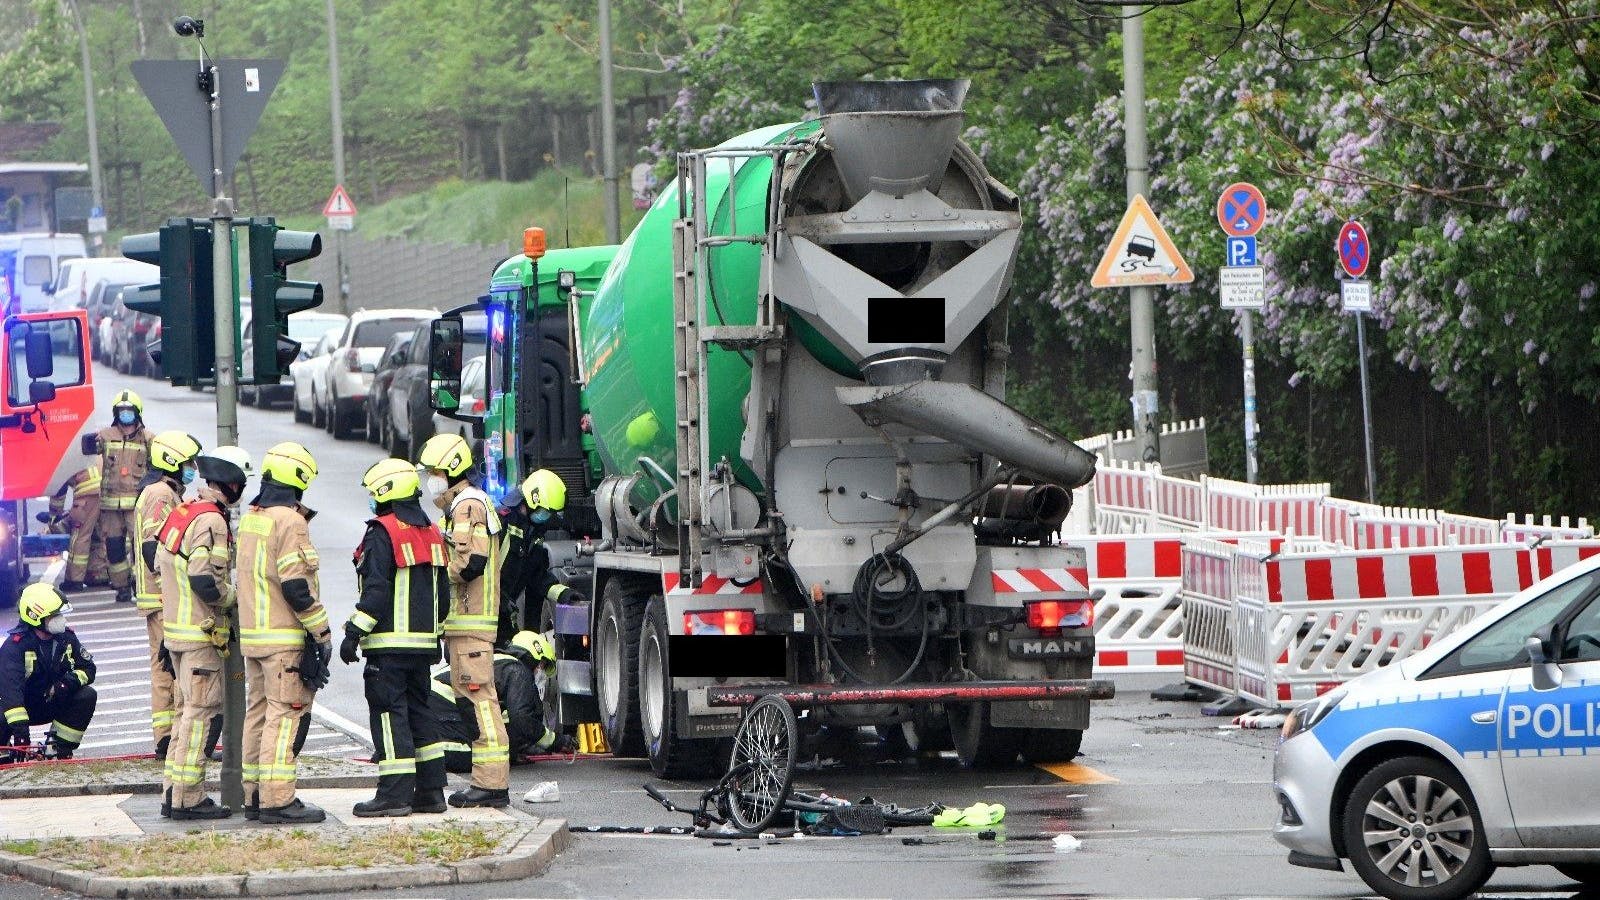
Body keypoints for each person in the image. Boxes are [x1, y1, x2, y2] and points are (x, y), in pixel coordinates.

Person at [341, 458, 451, 818]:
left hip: (388, 650)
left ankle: (394, 794)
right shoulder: (433, 532)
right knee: (421, 714)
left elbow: (375, 593)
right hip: (423, 649)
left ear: (384, 493)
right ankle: (431, 793)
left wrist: (354, 633)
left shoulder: (382, 532)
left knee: (390, 717)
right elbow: (444, 597)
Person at [238, 442, 332, 825]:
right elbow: (297, 587)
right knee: (285, 716)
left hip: (255, 639)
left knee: (258, 716)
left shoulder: (252, 518)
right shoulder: (290, 522)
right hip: (283, 640)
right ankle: (278, 800)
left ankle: (255, 796)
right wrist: (321, 632)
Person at [157, 446, 251, 820]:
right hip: (200, 635)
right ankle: (187, 799)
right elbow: (202, 577)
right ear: (232, 482)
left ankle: (173, 793)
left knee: (184, 716)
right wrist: (233, 599)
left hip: (176, 633)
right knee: (202, 717)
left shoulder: (184, 511)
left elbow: (155, 560)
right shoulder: (211, 520)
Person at [416, 433, 508, 808]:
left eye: (434, 473)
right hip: (466, 624)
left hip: (472, 622)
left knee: (478, 703)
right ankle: (487, 783)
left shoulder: (468, 506)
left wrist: (435, 574)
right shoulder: (463, 505)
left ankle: (491, 785)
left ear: (451, 471)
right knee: (474, 702)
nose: (430, 481)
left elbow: (472, 563)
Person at [133, 431, 202, 761]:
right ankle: (171, 738)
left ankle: (167, 738)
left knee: (164, 669)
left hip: (159, 597)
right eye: (188, 463)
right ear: (172, 462)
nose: (192, 469)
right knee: (171, 668)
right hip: (163, 597)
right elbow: (153, 548)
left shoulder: (163, 492)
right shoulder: (161, 495)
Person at [430, 630, 576, 772]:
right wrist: (557, 741)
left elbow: (506, 721)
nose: (540, 672)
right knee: (485, 758)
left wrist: (516, 748)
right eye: (542, 665)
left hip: (437, 699)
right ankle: (425, 756)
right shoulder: (517, 670)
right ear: (532, 657)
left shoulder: (499, 664)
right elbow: (521, 718)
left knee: (487, 752)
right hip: (443, 701)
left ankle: (424, 752)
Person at [1, 584, 97, 761]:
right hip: (18, 708)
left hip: (49, 701)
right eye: (54, 616)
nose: (60, 620)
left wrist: (67, 683)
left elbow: (88, 668)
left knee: (87, 695)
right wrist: (22, 737)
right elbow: (11, 695)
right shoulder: (15, 647)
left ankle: (59, 746)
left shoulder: (66, 638)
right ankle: (3, 750)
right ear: (36, 617)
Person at [496, 469, 585, 645]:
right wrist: (501, 601)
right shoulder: (501, 522)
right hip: (488, 613)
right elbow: (485, 571)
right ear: (533, 499)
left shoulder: (533, 532)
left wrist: (563, 593)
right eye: (546, 511)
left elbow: (536, 577)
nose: (546, 517)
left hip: (504, 614)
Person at [92, 390, 156, 603]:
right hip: (110, 505)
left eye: (129, 411)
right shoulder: (105, 436)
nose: (125, 414)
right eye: (121, 411)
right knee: (114, 548)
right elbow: (87, 448)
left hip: (136, 504)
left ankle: (142, 585)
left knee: (140, 546)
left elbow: (157, 467)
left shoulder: (149, 439)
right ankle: (121, 587)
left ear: (137, 413)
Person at [45, 458, 107, 592]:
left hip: (87, 494)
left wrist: (53, 518)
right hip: (108, 491)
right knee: (102, 533)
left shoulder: (62, 458)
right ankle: (99, 574)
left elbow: (58, 493)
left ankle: (74, 580)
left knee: (80, 536)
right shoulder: (86, 450)